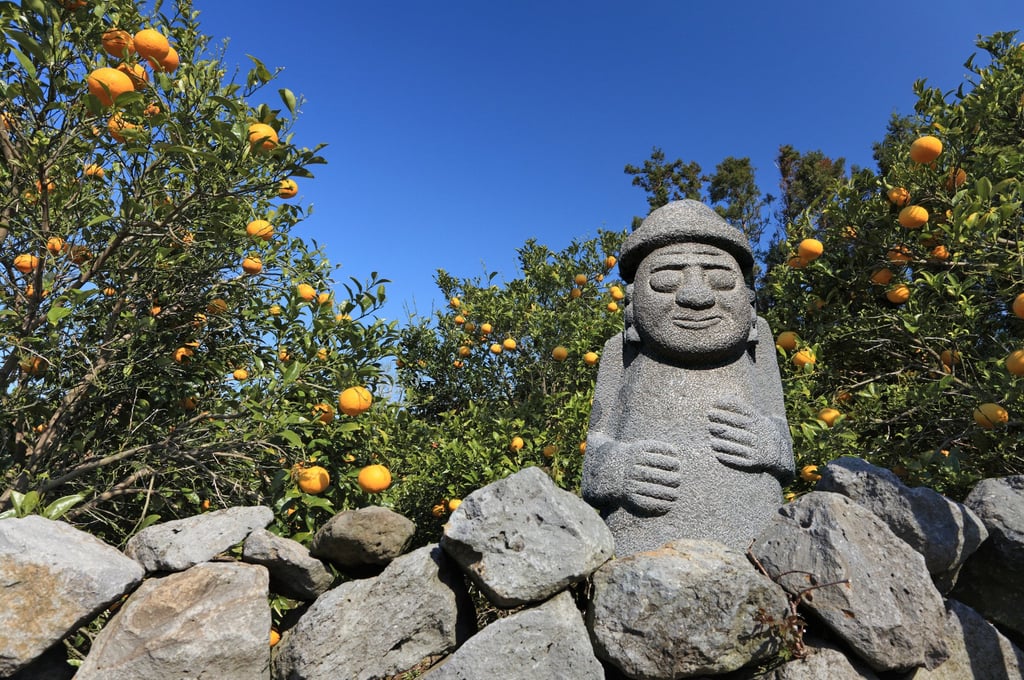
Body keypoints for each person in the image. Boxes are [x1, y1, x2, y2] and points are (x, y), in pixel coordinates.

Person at [582, 200, 793, 555]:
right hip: (641, 550)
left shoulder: (759, 345)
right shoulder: (620, 352)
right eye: (666, 280)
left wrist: (770, 444)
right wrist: (620, 469)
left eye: (721, 279)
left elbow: (785, 449)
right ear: (633, 302)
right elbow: (593, 463)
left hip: (755, 544)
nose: (696, 296)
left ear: (749, 299)